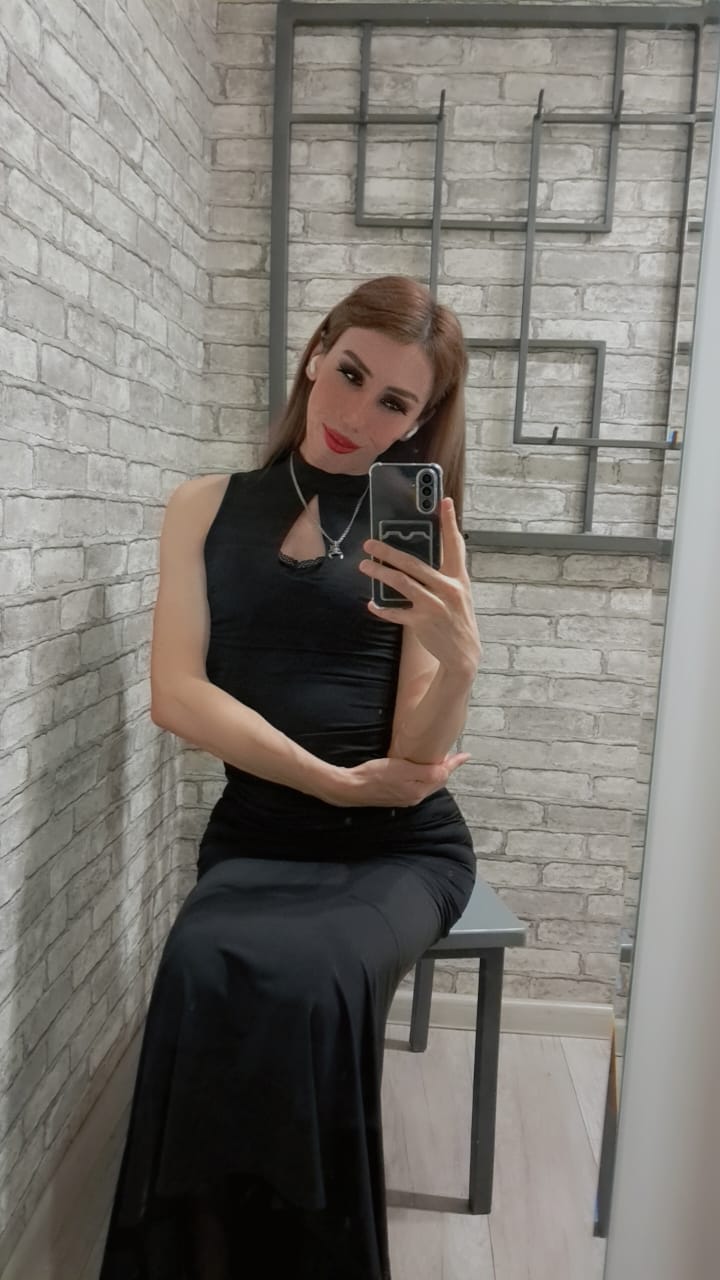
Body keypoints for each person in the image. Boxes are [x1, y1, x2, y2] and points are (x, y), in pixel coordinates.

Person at [98, 275, 482, 1280]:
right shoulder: (203, 506)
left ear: (419, 421)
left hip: (396, 848)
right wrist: (328, 780)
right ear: (316, 354)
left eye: (394, 402)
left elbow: (413, 758)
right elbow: (177, 693)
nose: (358, 413)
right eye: (349, 373)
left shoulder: (421, 530)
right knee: (199, 965)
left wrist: (459, 664)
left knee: (313, 985)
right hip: (261, 830)